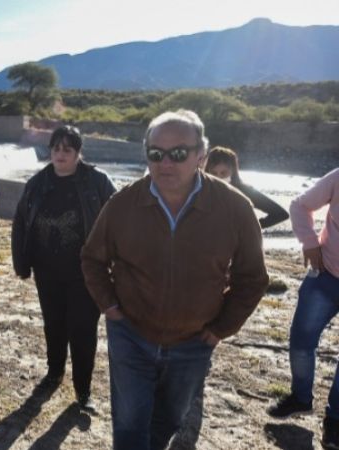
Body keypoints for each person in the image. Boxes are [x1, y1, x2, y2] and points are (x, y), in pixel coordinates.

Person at [81, 110, 269, 450]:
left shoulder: (235, 209)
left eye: (178, 153)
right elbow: (92, 259)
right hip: (131, 334)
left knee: (170, 419)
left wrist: (222, 327)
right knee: (129, 423)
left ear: (201, 155)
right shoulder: (123, 204)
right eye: (156, 154)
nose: (166, 162)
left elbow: (253, 278)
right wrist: (110, 307)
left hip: (195, 340)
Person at [11, 125, 115, 411]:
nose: (60, 154)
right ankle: (54, 372)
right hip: (47, 272)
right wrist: (21, 262)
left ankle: (83, 391)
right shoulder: (37, 183)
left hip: (87, 274)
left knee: (82, 330)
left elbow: (117, 221)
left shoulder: (97, 182)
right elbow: (21, 222)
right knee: (54, 325)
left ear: (78, 152)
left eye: (67, 149)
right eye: (56, 148)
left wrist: (117, 266)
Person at [267, 168, 339, 449]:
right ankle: (300, 398)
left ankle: (335, 422)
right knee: (300, 343)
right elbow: (299, 205)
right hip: (325, 275)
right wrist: (309, 242)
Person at [205, 146, 289, 228]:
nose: (219, 177)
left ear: (233, 171)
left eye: (224, 173)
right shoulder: (200, 191)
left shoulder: (245, 191)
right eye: (214, 173)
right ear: (207, 171)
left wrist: (250, 227)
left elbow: (280, 214)